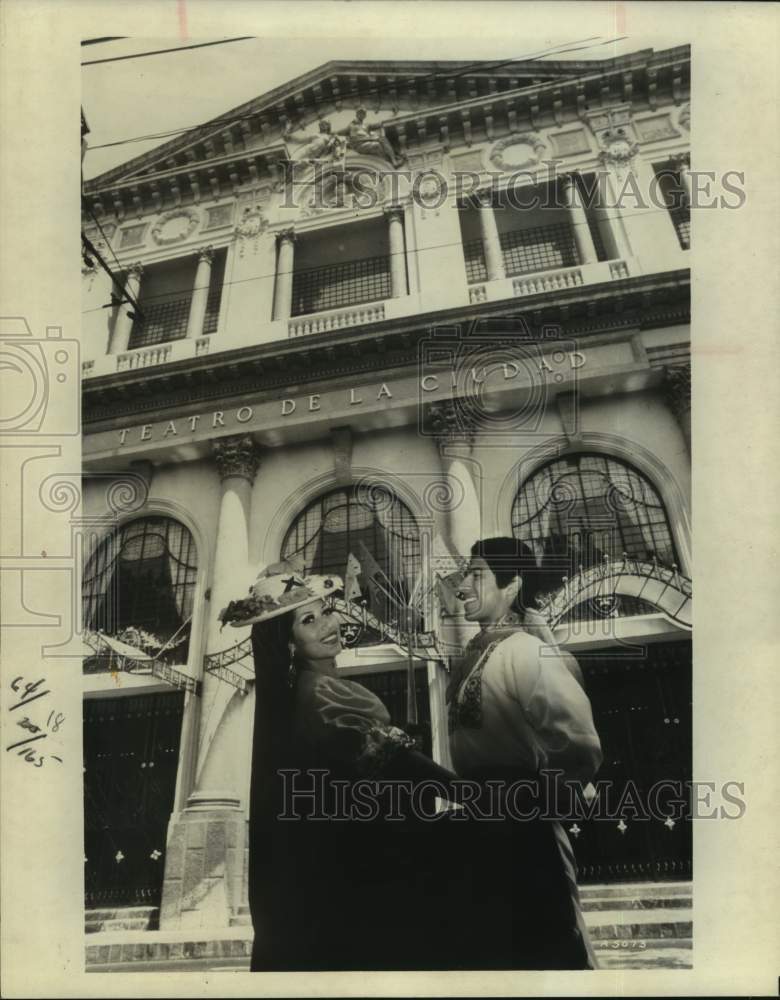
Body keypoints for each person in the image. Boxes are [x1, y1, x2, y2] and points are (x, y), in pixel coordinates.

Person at [219, 560, 457, 971]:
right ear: (289, 644)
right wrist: (467, 791)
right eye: (308, 620)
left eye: (326, 610)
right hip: (356, 872)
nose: (327, 624)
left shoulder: (318, 691)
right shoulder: (322, 696)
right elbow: (394, 764)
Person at [445, 536, 603, 969]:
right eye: (464, 574)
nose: (462, 586)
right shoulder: (471, 659)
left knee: (549, 946)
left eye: (476, 574)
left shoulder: (526, 650)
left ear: (511, 586)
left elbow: (580, 742)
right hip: (478, 823)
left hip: (524, 828)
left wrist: (538, 798)